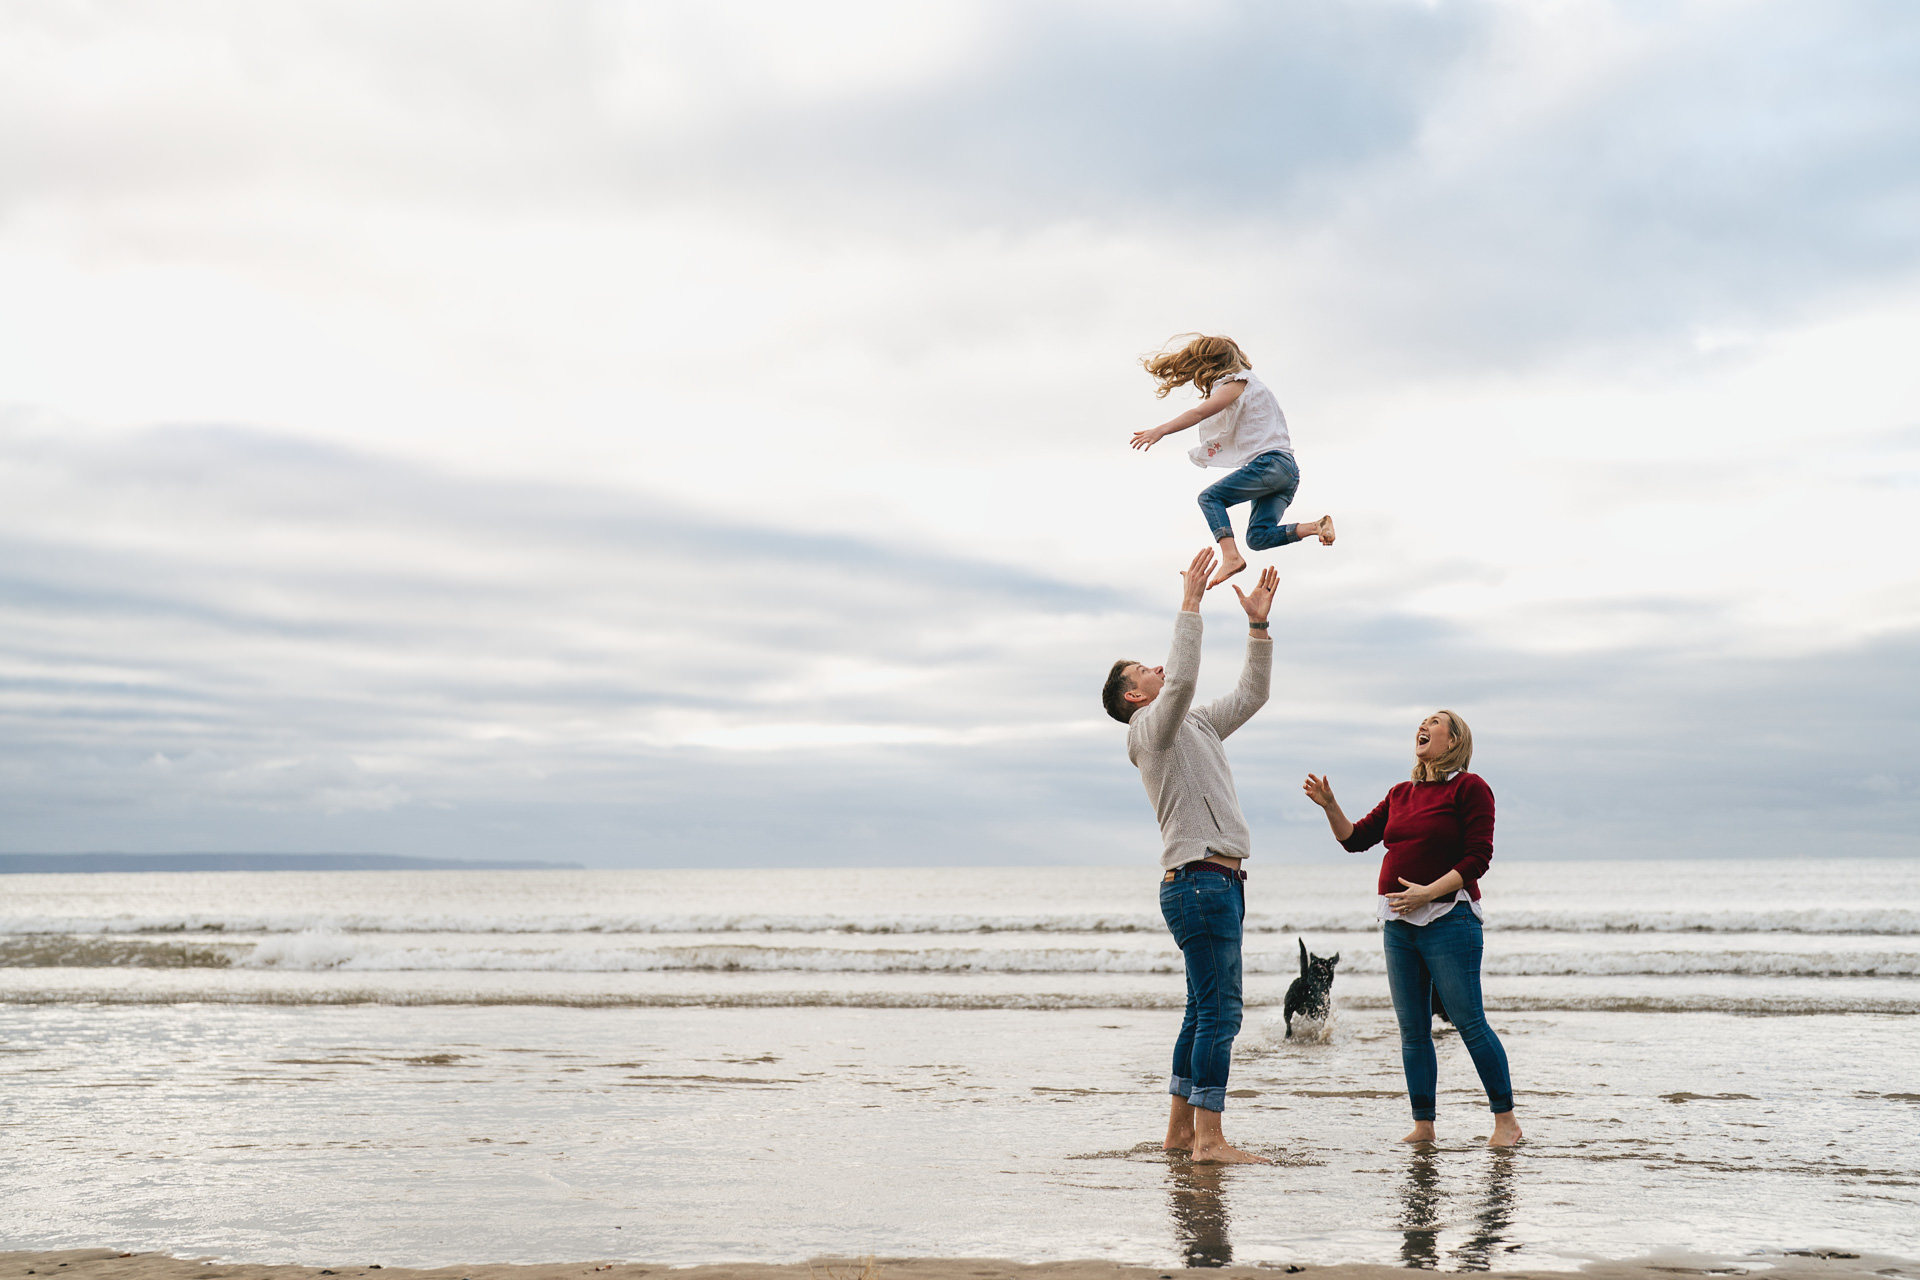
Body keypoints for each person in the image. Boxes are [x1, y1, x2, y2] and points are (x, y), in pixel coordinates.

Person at [1102, 546, 1279, 1164]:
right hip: (1201, 880)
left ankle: (1181, 1134)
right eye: (1142, 670)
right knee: (1221, 1012)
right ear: (1132, 698)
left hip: (1214, 882)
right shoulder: (1146, 731)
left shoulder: (1195, 724)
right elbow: (1179, 680)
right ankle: (1211, 1141)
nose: (1155, 668)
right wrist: (1189, 603)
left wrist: (1257, 627)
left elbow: (1251, 696)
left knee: (1201, 1009)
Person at [1301, 711, 1524, 1148]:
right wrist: (1330, 806)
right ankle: (1424, 1125)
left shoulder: (1470, 787)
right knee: (1413, 1029)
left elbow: (1478, 857)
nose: (1423, 726)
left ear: (1454, 738)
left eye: (1435, 721)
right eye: (1422, 721)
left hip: (1450, 919)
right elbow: (1354, 838)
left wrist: (1428, 894)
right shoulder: (1400, 793)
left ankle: (1506, 1122)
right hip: (1398, 925)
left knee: (1469, 1022)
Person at [1130, 334, 1334, 589]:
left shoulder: (1237, 382)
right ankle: (1316, 527)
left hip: (1270, 465)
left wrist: (1161, 430)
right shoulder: (1257, 386)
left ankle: (1231, 556)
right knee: (1258, 538)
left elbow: (1200, 412)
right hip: (1288, 472)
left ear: (1211, 365)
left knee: (1209, 498)